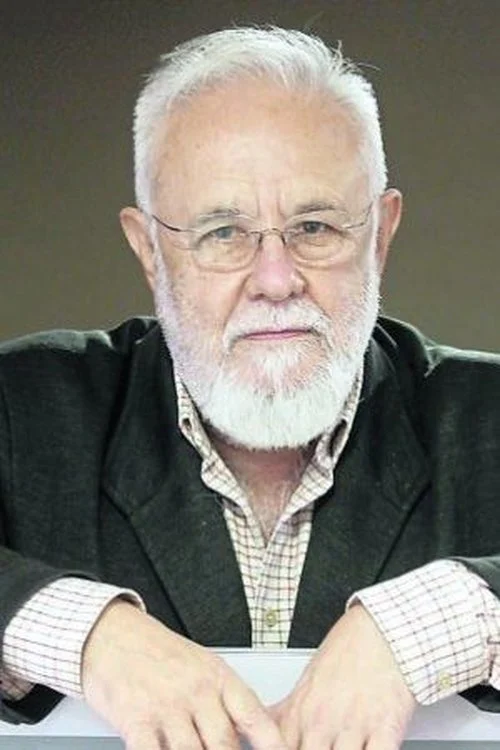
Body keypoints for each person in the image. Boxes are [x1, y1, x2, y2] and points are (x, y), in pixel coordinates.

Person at [1, 24, 500, 750]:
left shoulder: (489, 417)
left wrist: (436, 622)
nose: (275, 280)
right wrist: (87, 635)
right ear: (149, 250)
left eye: (315, 226)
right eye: (223, 233)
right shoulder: (21, 409)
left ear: (381, 234)